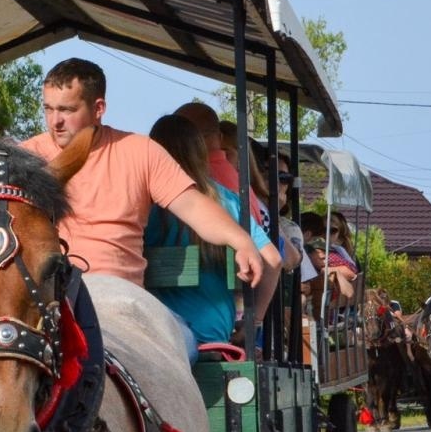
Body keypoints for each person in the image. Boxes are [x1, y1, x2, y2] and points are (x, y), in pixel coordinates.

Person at [19, 58, 267, 362]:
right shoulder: (26, 159)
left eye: (67, 110)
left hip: (122, 303)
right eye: (48, 109)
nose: (55, 121)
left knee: (183, 345)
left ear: (98, 108)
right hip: (50, 301)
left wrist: (241, 240)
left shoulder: (139, 151)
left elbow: (192, 204)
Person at [143, 114, 278, 354]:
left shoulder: (145, 202)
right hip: (212, 335)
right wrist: (254, 322)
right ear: (200, 153)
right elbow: (274, 260)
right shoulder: (228, 201)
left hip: (155, 334)